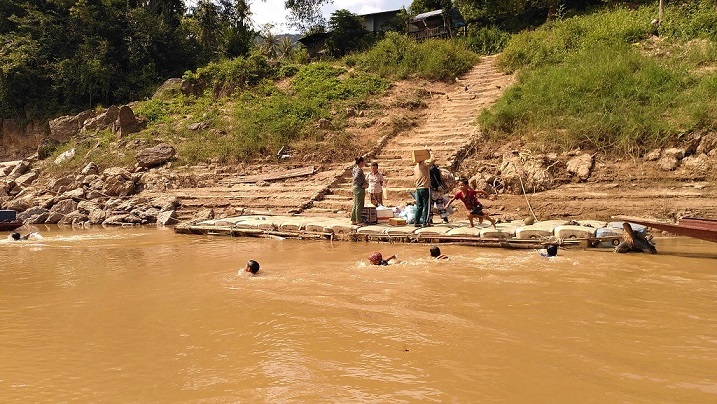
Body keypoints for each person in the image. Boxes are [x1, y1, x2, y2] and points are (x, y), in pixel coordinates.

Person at [414, 150, 435, 227]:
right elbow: (433, 160)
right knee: (427, 206)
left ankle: (416, 222)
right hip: (425, 188)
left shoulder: (416, 167)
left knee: (419, 206)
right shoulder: (423, 164)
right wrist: (431, 152)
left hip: (418, 188)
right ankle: (425, 222)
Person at [351, 156, 368, 226]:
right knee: (359, 205)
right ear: (361, 162)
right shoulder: (359, 170)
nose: (364, 163)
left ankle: (354, 219)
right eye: (363, 162)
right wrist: (362, 184)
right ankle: (359, 221)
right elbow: (356, 178)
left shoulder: (354, 168)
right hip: (359, 188)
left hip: (355, 187)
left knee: (355, 204)